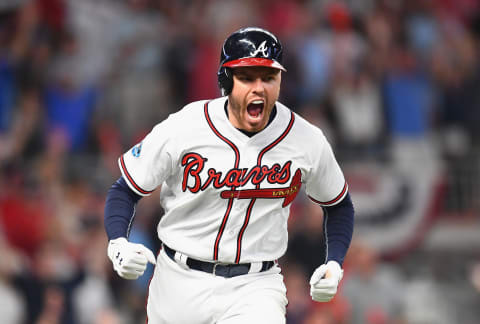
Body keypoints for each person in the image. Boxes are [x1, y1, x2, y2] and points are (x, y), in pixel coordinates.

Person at [104, 27, 354, 324]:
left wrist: (335, 262)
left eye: (268, 77)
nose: (258, 87)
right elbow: (125, 189)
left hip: (254, 286)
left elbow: (338, 204)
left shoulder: (305, 138)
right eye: (247, 77)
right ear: (225, 80)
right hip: (179, 281)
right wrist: (118, 241)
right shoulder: (186, 126)